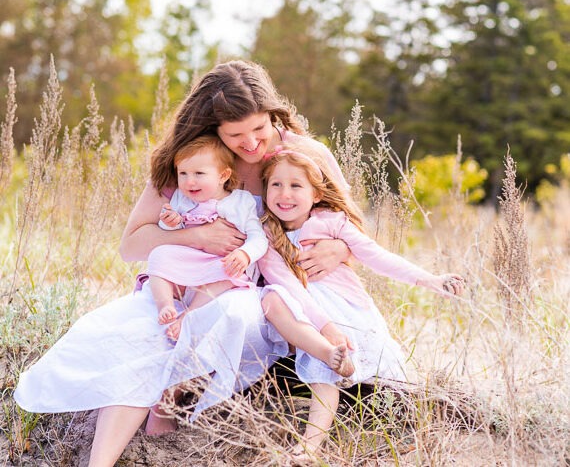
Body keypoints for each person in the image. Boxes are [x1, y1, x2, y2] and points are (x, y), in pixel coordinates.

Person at [14, 60, 351, 467]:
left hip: (254, 291)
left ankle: (172, 403)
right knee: (140, 341)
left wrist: (339, 250)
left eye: (259, 129)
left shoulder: (305, 154)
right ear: (213, 129)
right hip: (187, 282)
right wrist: (192, 235)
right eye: (235, 134)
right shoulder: (192, 162)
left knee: (223, 318)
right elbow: (131, 245)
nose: (250, 143)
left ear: (272, 114)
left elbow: (352, 227)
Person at [257, 144, 464, 457]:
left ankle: (421, 425)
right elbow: (290, 287)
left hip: (348, 308)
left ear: (315, 194)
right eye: (276, 185)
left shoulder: (333, 222)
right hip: (309, 317)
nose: (285, 194)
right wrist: (325, 329)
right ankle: (310, 447)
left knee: (391, 381)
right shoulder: (266, 237)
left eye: (296, 185)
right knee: (318, 355)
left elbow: (377, 257)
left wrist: (430, 280)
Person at [147, 134, 268, 341]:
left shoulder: (240, 202)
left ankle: (189, 313)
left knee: (227, 275)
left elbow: (259, 238)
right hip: (189, 262)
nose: (189, 181)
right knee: (158, 255)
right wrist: (171, 222)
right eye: (183, 173)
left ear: (223, 176)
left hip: (221, 264)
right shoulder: (181, 198)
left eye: (199, 173)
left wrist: (245, 254)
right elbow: (167, 233)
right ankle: (165, 305)